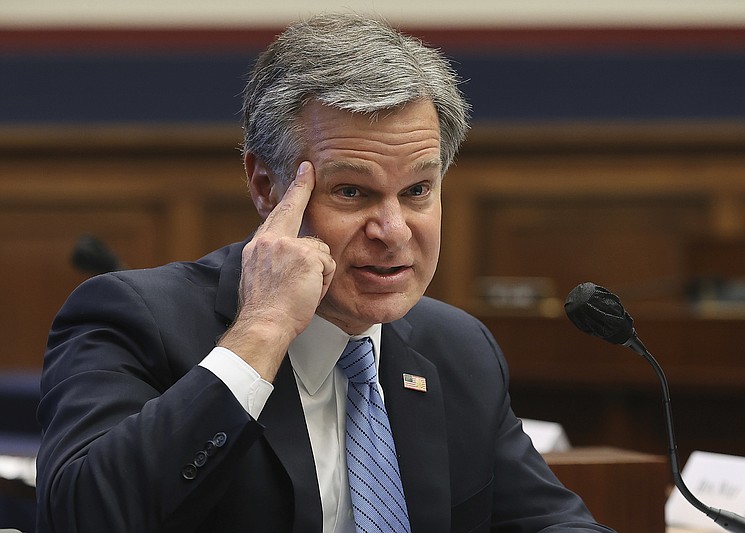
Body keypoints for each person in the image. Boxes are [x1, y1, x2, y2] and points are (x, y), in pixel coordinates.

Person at [36, 13, 616, 533]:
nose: (392, 229)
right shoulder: (135, 320)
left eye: (417, 191)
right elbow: (81, 515)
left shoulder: (457, 349)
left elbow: (549, 522)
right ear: (266, 186)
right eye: (352, 192)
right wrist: (260, 333)